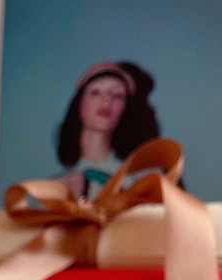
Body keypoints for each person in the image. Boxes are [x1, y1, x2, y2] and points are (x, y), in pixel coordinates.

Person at [56, 62, 160, 199]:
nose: (107, 99)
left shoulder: (145, 177)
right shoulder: (55, 187)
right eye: (96, 92)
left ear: (125, 109)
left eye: (118, 95)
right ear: (78, 104)